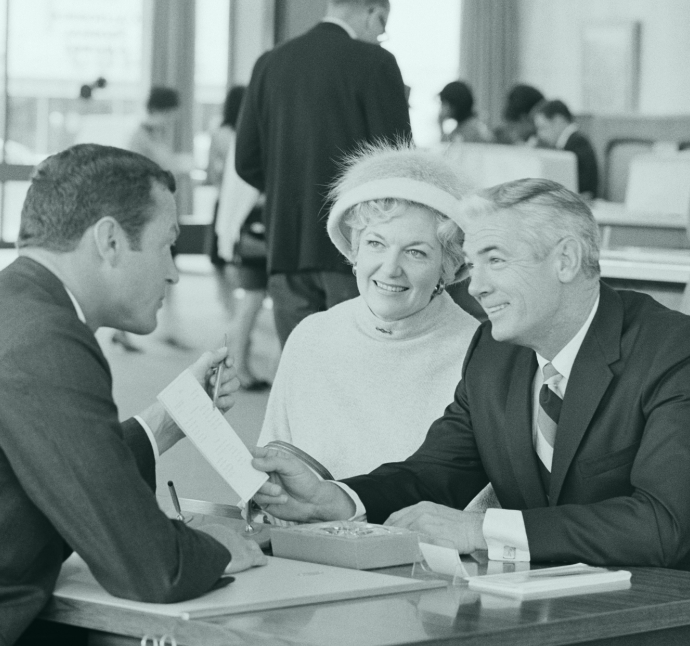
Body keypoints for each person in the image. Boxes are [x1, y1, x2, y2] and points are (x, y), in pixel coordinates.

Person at [252, 177, 690, 570]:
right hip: (534, 615)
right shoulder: (492, 353)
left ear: (566, 260)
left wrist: (482, 530)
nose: (476, 286)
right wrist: (335, 498)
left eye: (494, 261)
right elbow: (436, 472)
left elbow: (665, 524)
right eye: (474, 264)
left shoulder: (673, 352)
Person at [0, 144, 266, 646]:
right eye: (168, 244)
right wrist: (220, 545)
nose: (173, 271)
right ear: (111, 240)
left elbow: (55, 465)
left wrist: (166, 422)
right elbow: (148, 567)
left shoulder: (17, 309)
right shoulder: (47, 340)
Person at [258, 144, 479, 479]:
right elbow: (271, 464)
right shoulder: (311, 336)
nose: (390, 269)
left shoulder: (478, 354)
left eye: (416, 252)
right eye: (376, 243)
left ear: (447, 267)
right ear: (355, 250)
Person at [235, 0, 412, 347]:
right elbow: (398, 165)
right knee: (355, 371)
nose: (379, 36)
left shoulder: (270, 63)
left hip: (285, 244)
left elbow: (246, 160)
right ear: (372, 12)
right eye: (382, 26)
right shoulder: (376, 63)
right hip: (354, 245)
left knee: (300, 371)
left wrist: (288, 193)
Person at [212, 86, 270, 391]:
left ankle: (239, 365)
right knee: (251, 300)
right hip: (253, 229)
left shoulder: (237, 135)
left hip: (239, 225)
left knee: (250, 300)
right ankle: (236, 368)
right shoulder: (253, 137)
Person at [532, 99, 599, 199]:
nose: (540, 135)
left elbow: (584, 187)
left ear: (559, 120)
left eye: (543, 127)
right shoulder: (572, 142)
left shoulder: (577, 143)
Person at [438, 81, 494, 145]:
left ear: (453, 104)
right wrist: (440, 125)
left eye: (443, 103)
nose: (441, 107)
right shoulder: (460, 129)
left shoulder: (476, 131)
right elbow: (446, 150)